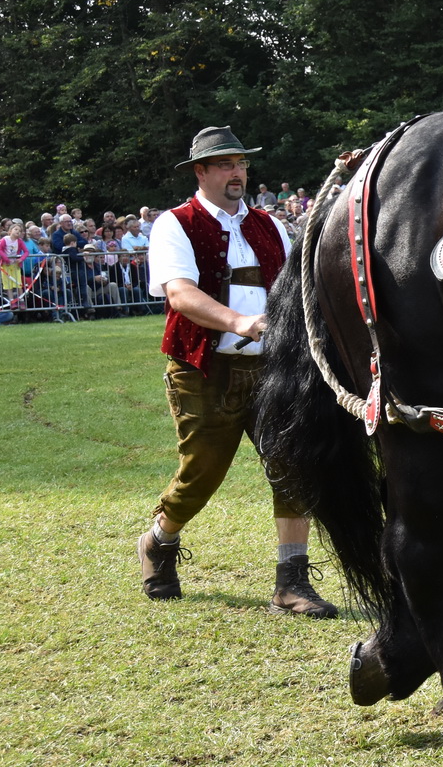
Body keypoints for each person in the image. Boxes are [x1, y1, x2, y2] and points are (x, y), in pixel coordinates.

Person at [137, 125, 336, 616]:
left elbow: (296, 292)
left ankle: (291, 584)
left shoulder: (269, 226)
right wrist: (240, 322)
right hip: (204, 369)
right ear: (200, 171)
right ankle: (158, 541)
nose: (237, 172)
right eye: (225, 164)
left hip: (271, 370)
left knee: (293, 466)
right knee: (201, 474)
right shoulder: (175, 224)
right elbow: (180, 294)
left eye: (242, 163)